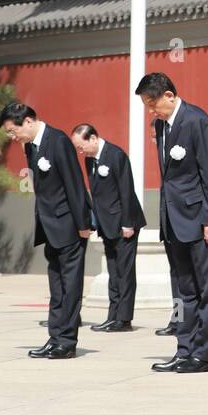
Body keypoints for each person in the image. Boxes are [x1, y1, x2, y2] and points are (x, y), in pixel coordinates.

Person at [137, 73, 208, 374]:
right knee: (182, 292)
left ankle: (203, 355)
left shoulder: (197, 121)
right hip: (175, 221)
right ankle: (184, 349)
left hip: (203, 219)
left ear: (169, 95)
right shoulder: (161, 125)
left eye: (153, 104)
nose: (152, 111)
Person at [0, 102, 93, 359]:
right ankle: (55, 337)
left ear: (28, 121)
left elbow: (74, 183)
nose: (12, 136)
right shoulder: (31, 146)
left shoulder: (58, 140)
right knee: (56, 286)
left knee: (70, 287)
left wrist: (84, 224)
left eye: (13, 131)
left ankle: (67, 342)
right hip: (50, 226)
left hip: (69, 225)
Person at [70, 125, 145, 333]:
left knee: (125, 272)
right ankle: (113, 316)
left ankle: (124, 319)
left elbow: (126, 189)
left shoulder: (116, 155)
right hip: (107, 224)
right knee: (113, 271)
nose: (80, 151)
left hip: (124, 223)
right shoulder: (89, 159)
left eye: (81, 146)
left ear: (93, 138)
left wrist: (128, 223)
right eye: (77, 148)